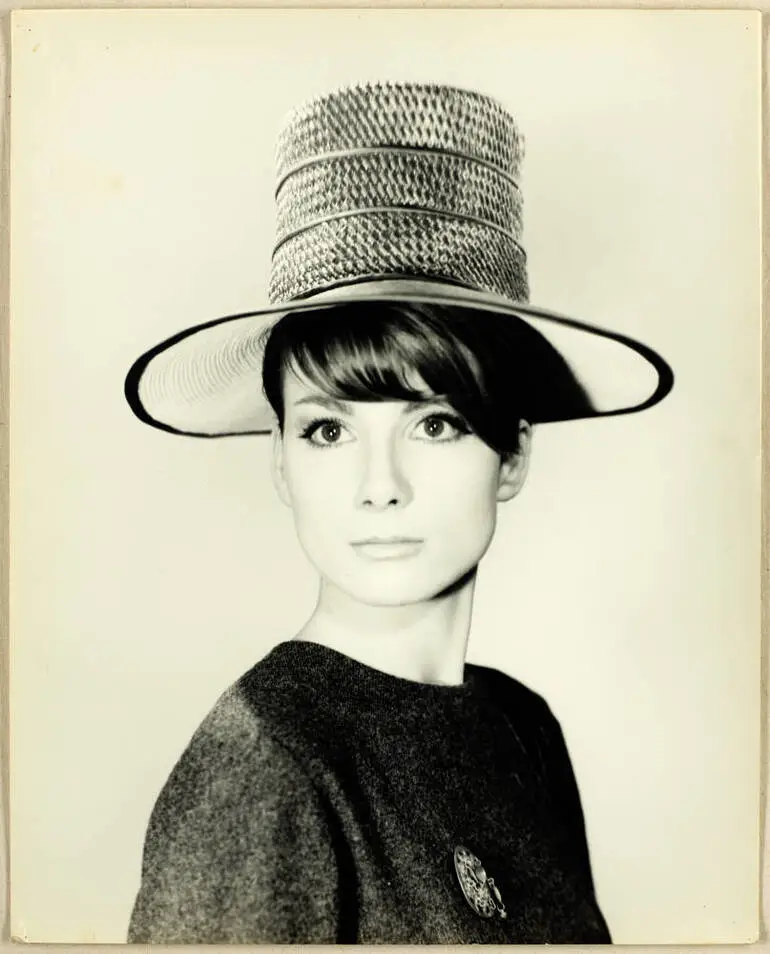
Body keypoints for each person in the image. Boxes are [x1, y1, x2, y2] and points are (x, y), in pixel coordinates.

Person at [124, 81, 673, 944]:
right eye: (329, 429)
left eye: (436, 422)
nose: (380, 485)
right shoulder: (265, 765)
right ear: (280, 460)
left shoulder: (518, 731)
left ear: (513, 453)